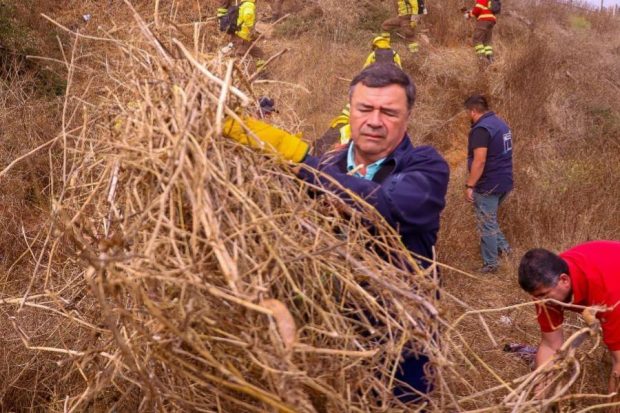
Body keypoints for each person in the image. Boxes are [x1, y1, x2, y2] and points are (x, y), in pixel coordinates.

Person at [222, 63, 450, 402]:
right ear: (351, 111)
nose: (374, 121)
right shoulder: (328, 164)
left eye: (388, 112)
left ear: (407, 118)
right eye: (364, 109)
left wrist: (299, 159)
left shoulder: (425, 166)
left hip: (402, 337)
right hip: (334, 333)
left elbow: (386, 204)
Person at [518, 241, 620, 396]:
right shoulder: (545, 290)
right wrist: (539, 399)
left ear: (564, 280)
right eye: (537, 297)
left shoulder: (609, 294)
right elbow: (550, 345)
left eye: (543, 295)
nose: (541, 302)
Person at [313, 35, 403, 155]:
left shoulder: (373, 55)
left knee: (344, 118)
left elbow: (363, 73)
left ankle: (323, 146)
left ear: (375, 45)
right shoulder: (395, 55)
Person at [463, 94, 513, 273]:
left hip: (488, 184)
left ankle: (491, 264)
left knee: (486, 223)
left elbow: (480, 161)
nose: (468, 116)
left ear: (473, 111)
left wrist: (470, 185)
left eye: (468, 113)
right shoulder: (500, 124)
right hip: (505, 182)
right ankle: (506, 251)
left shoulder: (481, 130)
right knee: (489, 219)